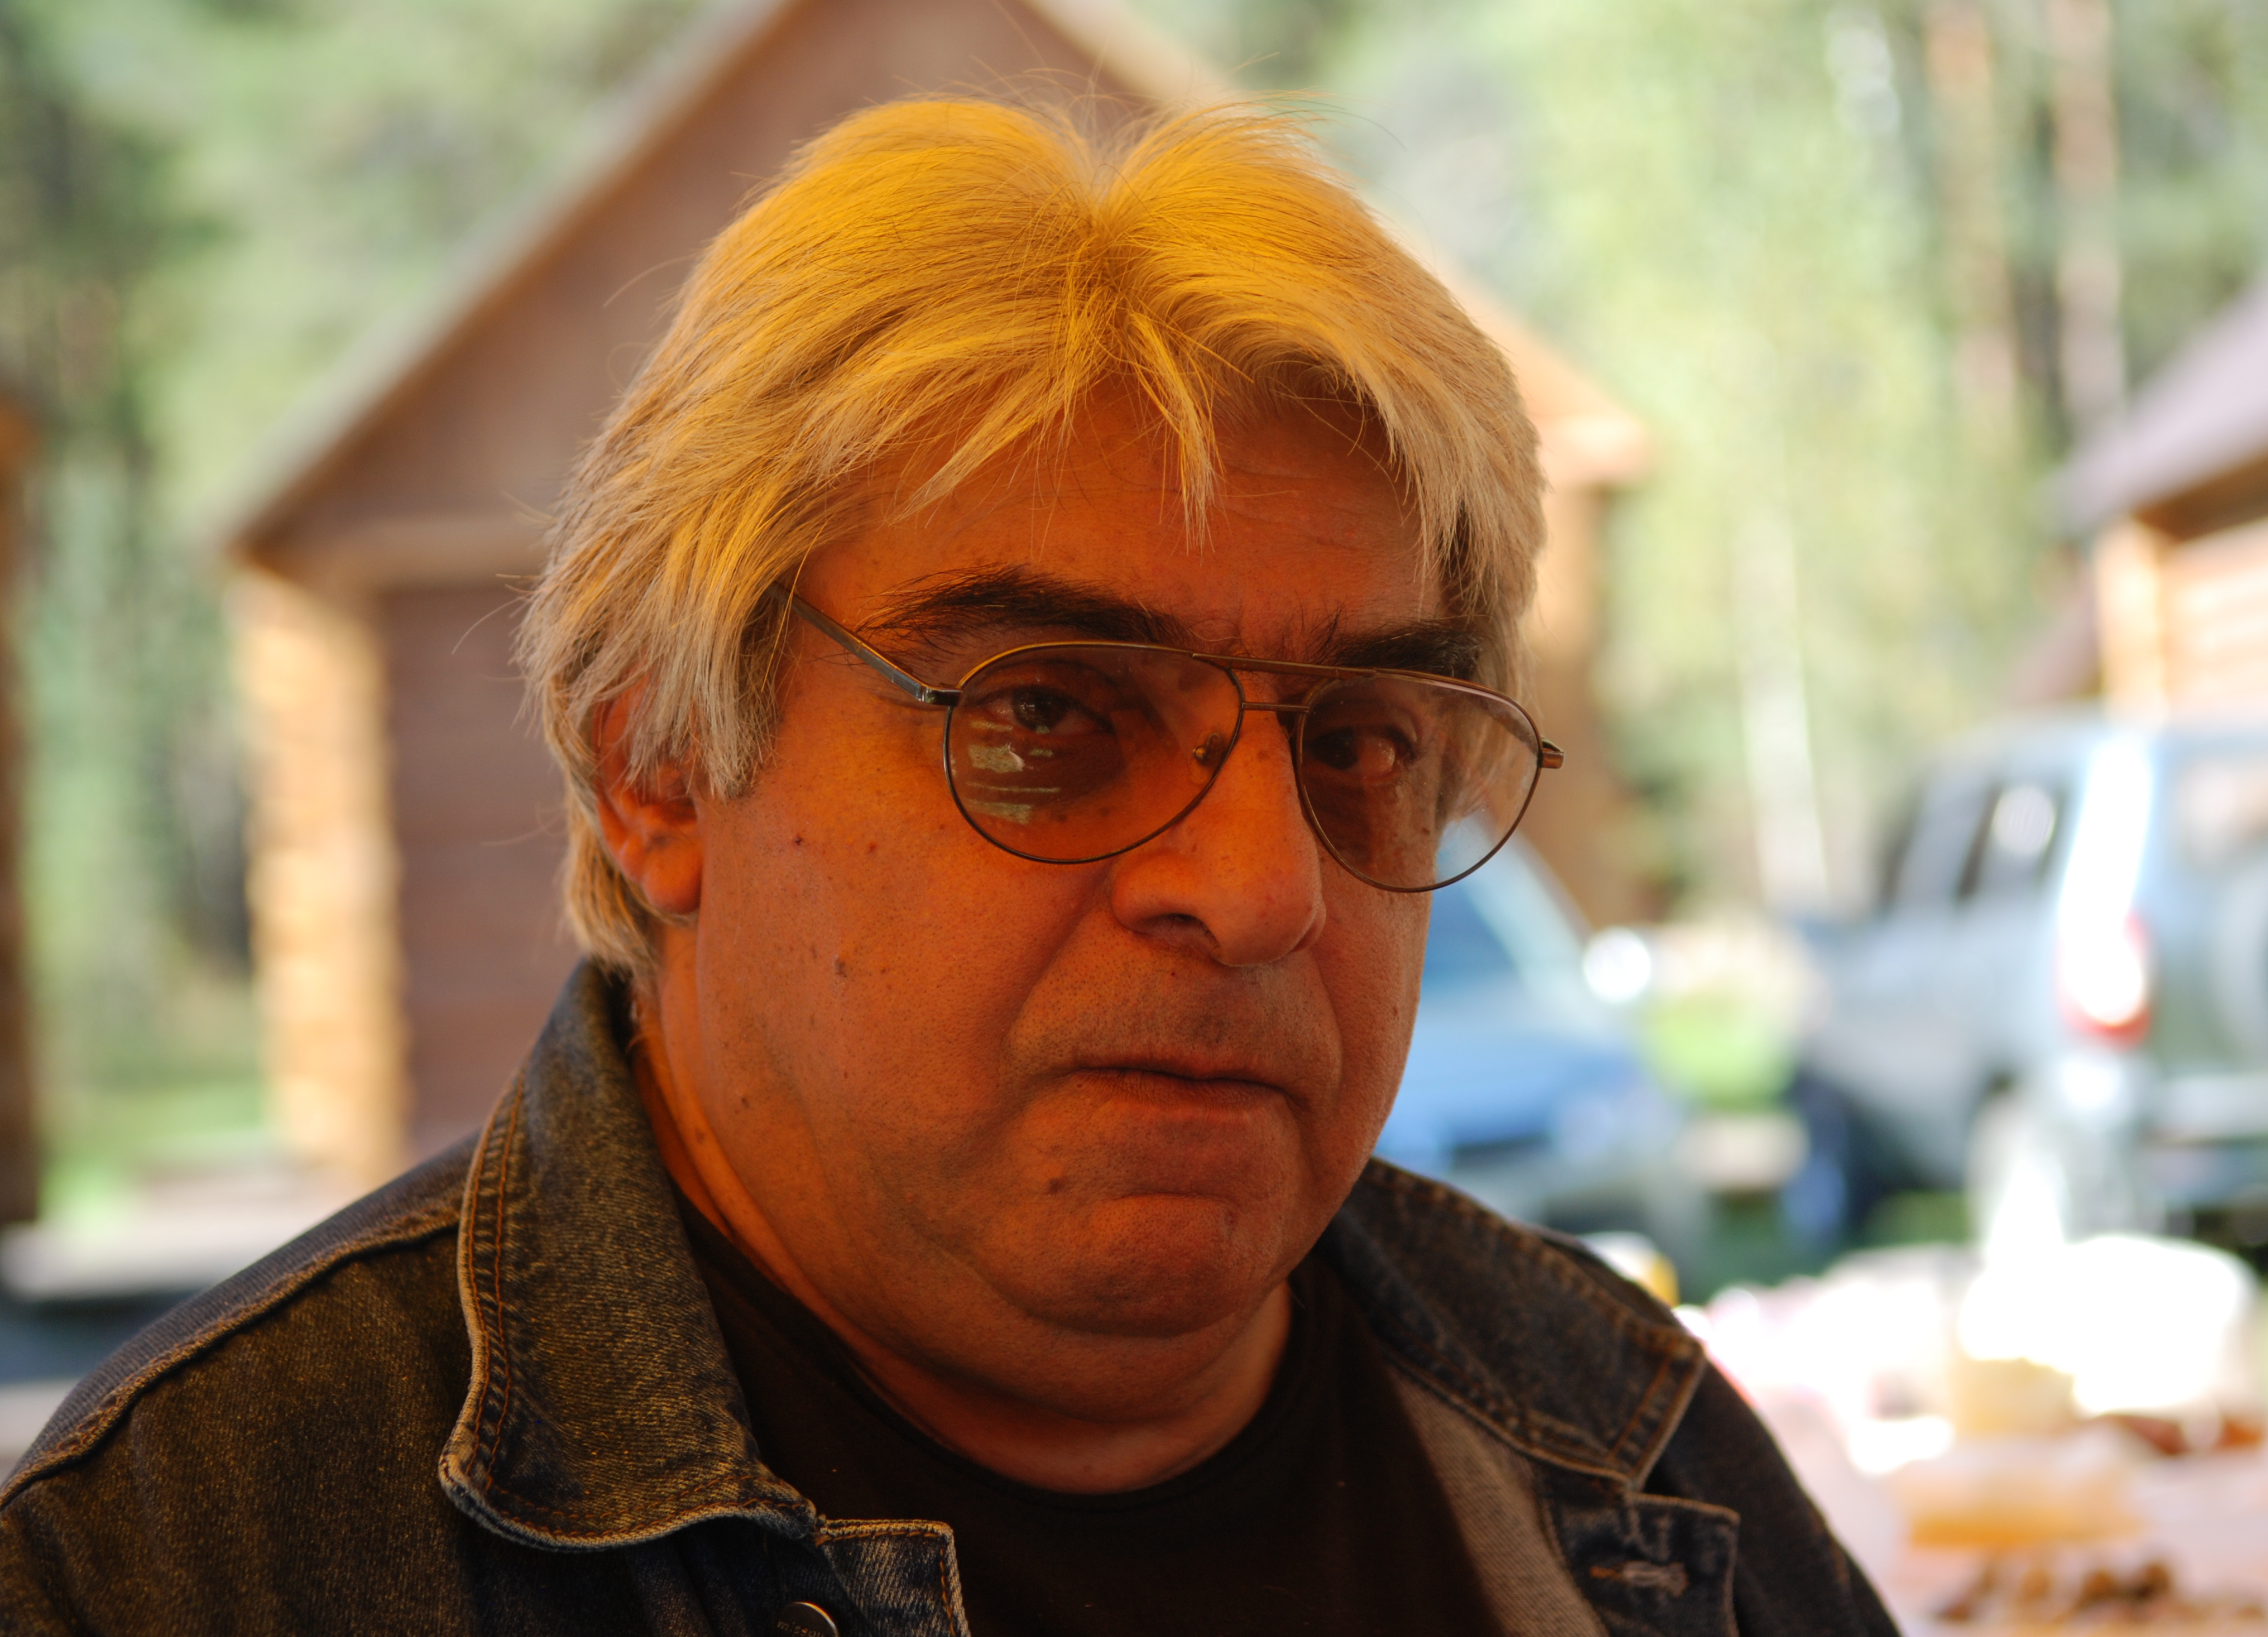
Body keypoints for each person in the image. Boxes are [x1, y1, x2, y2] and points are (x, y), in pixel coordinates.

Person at [0, 99, 1897, 1637]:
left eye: (1356, 746)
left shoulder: (1637, 1467)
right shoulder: (185, 1565)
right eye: (1047, 718)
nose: (1264, 890)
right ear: (658, 768)